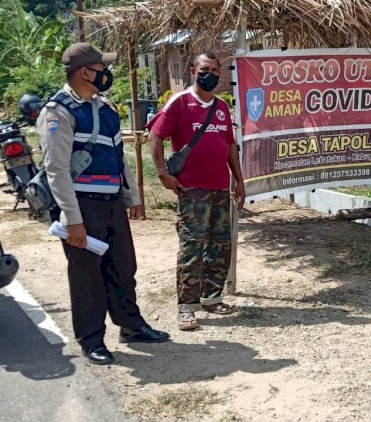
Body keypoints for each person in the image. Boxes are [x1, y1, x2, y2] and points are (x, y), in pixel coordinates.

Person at [37, 42, 169, 365]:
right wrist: (73, 219)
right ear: (84, 72)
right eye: (101, 68)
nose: (106, 73)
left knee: (123, 267)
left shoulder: (105, 108)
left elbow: (117, 156)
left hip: (111, 204)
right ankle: (92, 339)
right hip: (82, 206)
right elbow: (55, 169)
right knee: (87, 276)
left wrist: (133, 196)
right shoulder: (58, 112)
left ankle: (131, 325)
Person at [147, 51, 245, 331]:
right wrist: (162, 174)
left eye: (215, 70)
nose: (210, 74)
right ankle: (187, 308)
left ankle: (211, 298)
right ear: (193, 70)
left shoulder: (222, 107)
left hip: (218, 188)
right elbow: (155, 136)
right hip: (192, 190)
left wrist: (238, 180)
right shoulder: (180, 102)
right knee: (192, 247)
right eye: (205, 68)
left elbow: (229, 146)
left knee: (219, 245)